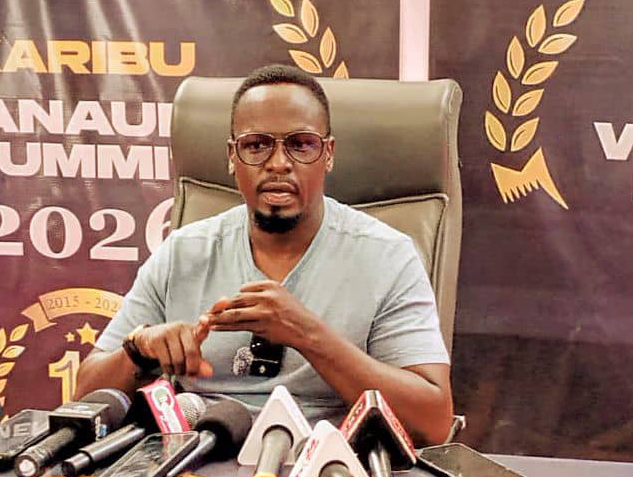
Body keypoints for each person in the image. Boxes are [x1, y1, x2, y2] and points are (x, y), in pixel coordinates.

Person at [76, 64, 453, 444]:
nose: (278, 163)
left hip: (328, 462)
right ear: (232, 156)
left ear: (328, 154)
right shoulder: (183, 253)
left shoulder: (387, 257)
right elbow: (85, 399)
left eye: (301, 144)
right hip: (196, 458)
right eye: (256, 145)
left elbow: (433, 422)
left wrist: (309, 336)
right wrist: (138, 351)